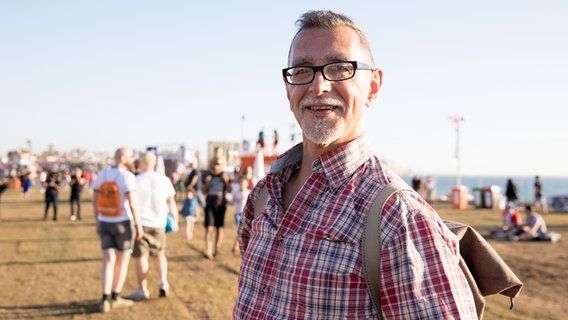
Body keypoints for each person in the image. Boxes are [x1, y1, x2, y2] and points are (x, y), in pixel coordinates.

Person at [233, 10, 477, 319]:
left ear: (373, 87)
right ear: (288, 88)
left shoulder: (400, 220)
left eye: (338, 69)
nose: (318, 86)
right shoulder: (263, 197)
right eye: (302, 70)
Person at [93, 147, 143, 313]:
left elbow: (95, 199)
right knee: (122, 261)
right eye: (130, 156)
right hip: (123, 222)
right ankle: (115, 296)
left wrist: (97, 220)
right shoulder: (127, 176)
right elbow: (133, 204)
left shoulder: (102, 175)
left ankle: (105, 299)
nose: (132, 158)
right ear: (122, 158)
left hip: (105, 220)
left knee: (108, 261)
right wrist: (138, 224)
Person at [129, 151, 178, 301]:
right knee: (159, 254)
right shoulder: (164, 180)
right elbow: (171, 204)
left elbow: (131, 203)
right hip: (159, 223)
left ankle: (142, 289)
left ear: (141, 163)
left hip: (140, 224)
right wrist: (175, 220)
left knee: (141, 257)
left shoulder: (135, 180)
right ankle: (163, 281)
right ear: (154, 163)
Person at [202, 158, 231, 259]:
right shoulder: (208, 175)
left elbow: (229, 190)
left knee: (219, 228)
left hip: (221, 204)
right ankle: (208, 250)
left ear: (221, 165)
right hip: (210, 203)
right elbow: (203, 191)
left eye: (217, 164)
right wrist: (207, 183)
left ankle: (217, 249)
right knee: (209, 228)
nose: (215, 166)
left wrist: (226, 181)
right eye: (214, 164)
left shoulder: (224, 175)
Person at [180, 162, 202, 240]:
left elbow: (196, 208)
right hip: (187, 216)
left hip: (193, 215)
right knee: (187, 225)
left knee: (191, 224)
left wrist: (198, 214)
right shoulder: (186, 200)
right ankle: (188, 234)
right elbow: (184, 207)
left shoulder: (196, 171)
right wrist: (182, 212)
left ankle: (191, 233)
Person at [230, 176, 250, 254]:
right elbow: (232, 201)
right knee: (239, 229)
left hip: (244, 213)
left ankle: (237, 244)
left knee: (240, 229)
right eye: (240, 183)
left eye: (243, 183)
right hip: (237, 213)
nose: (242, 185)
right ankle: (237, 244)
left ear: (247, 184)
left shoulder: (249, 192)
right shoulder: (236, 192)